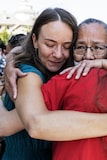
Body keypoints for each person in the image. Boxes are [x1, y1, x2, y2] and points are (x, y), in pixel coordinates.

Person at [1, 16, 107, 159]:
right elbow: (23, 123)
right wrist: (14, 56)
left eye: (98, 48)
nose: (88, 56)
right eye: (80, 47)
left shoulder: (69, 79)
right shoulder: (66, 77)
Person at [0, 7, 78, 160]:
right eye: (50, 44)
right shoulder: (28, 74)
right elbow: (4, 125)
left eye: (67, 46)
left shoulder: (60, 75)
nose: (58, 54)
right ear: (35, 40)